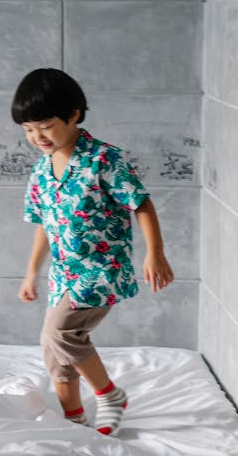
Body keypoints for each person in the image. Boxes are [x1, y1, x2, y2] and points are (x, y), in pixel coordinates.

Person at [11, 68, 174, 436]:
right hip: (63, 272)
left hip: (101, 268)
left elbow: (141, 204)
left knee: (61, 335)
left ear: (74, 115)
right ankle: (75, 422)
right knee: (53, 350)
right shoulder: (40, 171)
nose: (37, 137)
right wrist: (31, 272)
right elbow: (44, 224)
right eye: (28, 130)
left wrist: (155, 253)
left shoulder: (103, 159)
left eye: (45, 126)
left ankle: (109, 395)